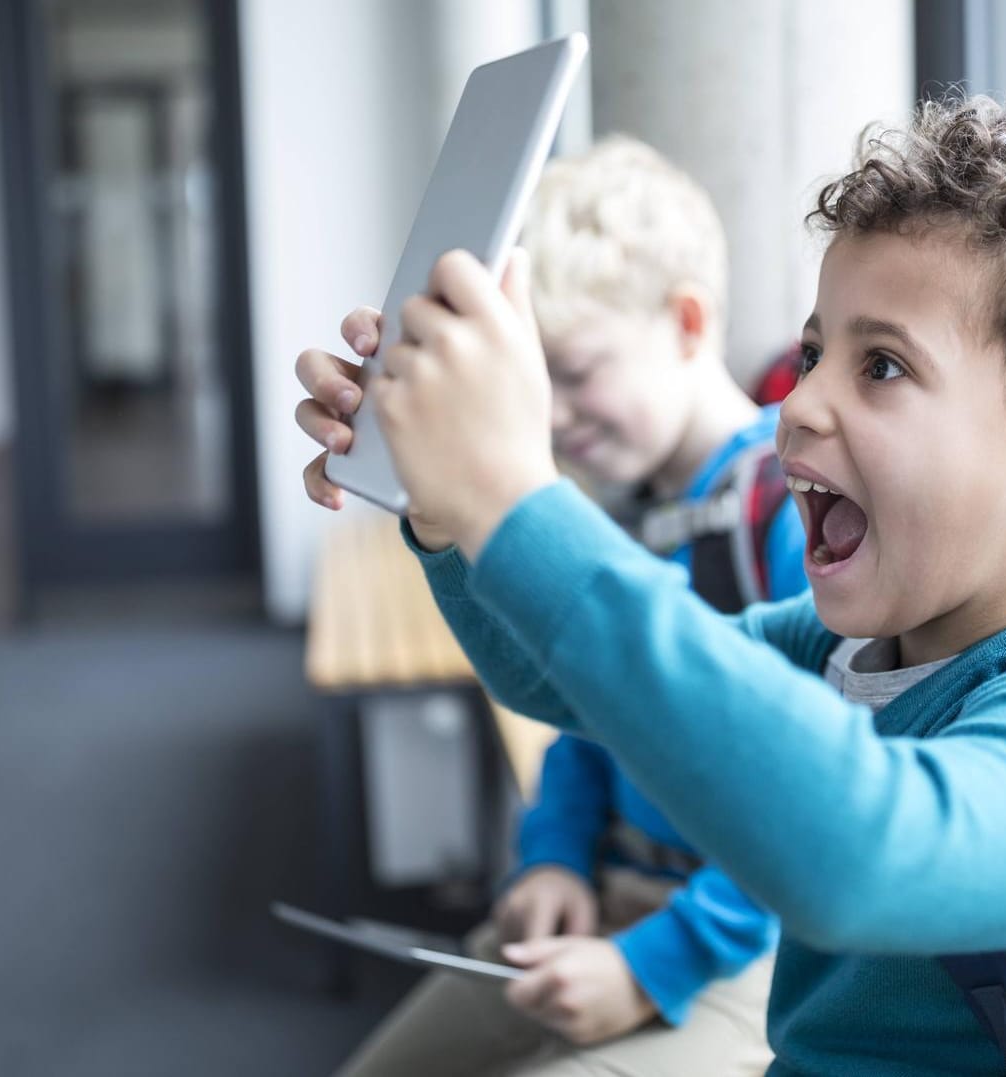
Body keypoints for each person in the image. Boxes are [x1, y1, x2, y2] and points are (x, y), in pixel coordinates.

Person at [297, 97, 1006, 1074]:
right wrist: (450, 515)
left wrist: (515, 495)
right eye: (811, 354)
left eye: (880, 365)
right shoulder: (850, 649)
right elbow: (557, 683)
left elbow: (858, 855)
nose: (798, 404)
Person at [327, 136, 806, 1077]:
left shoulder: (787, 518)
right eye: (538, 384)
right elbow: (588, 721)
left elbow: (808, 802)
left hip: (748, 944)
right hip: (611, 892)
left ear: (686, 323)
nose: (552, 416)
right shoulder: (608, 510)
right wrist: (549, 859)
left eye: (577, 370)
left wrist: (647, 964)